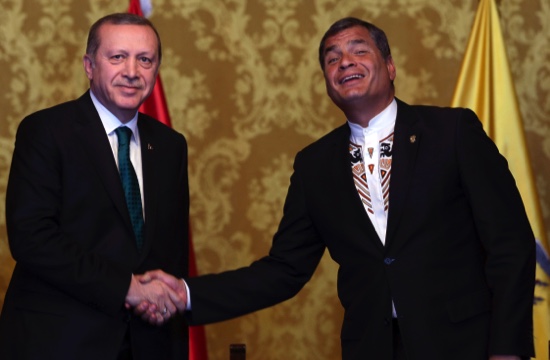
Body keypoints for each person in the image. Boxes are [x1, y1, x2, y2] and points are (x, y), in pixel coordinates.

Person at [140, 17, 536, 360]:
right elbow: (284, 271)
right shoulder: (315, 165)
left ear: (390, 66)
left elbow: (510, 243)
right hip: (372, 348)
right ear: (328, 81)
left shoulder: (452, 132)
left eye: (359, 51)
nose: (345, 61)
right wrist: (186, 294)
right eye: (332, 58)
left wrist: (507, 346)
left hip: (465, 345)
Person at [0, 13, 189, 360]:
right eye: (117, 57)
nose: (132, 71)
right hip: (61, 342)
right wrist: (125, 288)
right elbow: (31, 237)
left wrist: (165, 309)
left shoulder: (170, 145)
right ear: (89, 65)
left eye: (145, 59)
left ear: (157, 68)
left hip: (148, 342)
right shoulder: (46, 131)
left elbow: (171, 249)